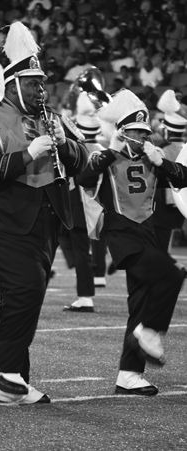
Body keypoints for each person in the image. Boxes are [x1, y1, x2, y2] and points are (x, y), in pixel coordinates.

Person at [0, 22, 88, 404]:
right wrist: (28, 154)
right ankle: (0, 365)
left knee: (22, 295)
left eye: (42, 84)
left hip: (43, 222)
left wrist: (64, 146)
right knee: (26, 288)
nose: (42, 91)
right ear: (13, 86)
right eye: (34, 84)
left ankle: (12, 384)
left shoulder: (50, 118)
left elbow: (82, 161)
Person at [77, 89, 187, 396]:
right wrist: (111, 152)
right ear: (123, 132)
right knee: (172, 275)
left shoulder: (154, 157)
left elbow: (184, 178)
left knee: (140, 300)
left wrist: (161, 162)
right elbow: (84, 178)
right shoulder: (105, 157)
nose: (141, 136)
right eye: (135, 132)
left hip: (147, 234)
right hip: (123, 235)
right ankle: (149, 331)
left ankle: (129, 374)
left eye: (144, 131)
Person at [62, 91, 103, 312]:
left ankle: (86, 297)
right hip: (97, 206)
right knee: (78, 249)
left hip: (78, 205)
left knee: (79, 252)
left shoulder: (78, 151)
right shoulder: (102, 150)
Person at [153, 89, 187, 257]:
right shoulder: (185, 149)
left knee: (160, 247)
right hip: (183, 202)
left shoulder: (162, 149)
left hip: (164, 204)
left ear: (168, 130)